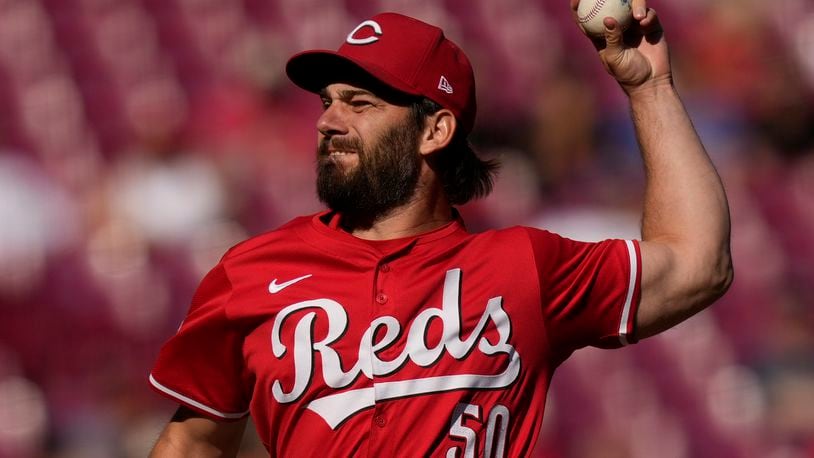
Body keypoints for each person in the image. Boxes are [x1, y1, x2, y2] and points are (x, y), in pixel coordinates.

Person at [148, 2, 733, 456]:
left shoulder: (522, 268)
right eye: (328, 102)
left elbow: (698, 263)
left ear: (436, 131)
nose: (328, 120)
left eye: (361, 102)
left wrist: (649, 88)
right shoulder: (250, 272)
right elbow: (192, 442)